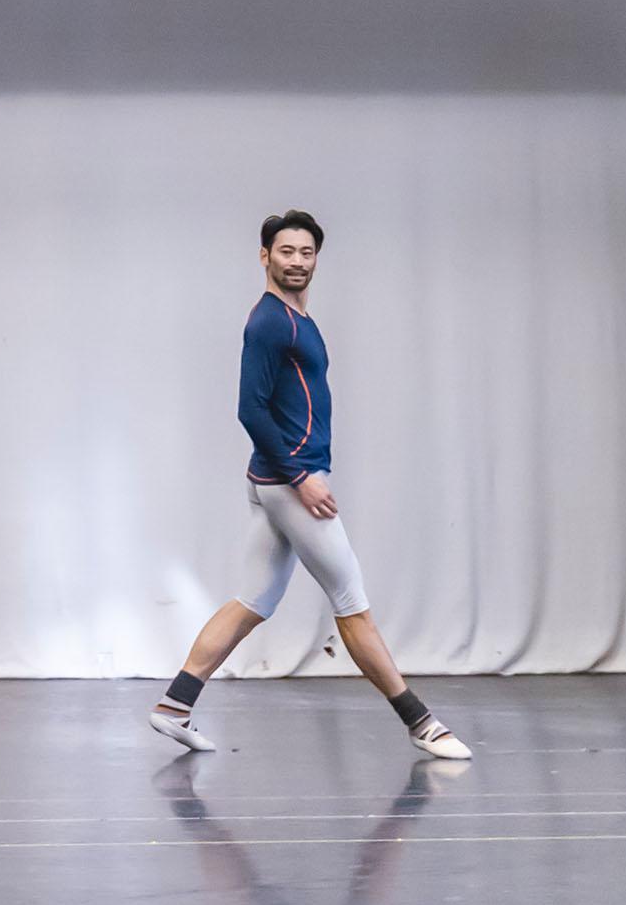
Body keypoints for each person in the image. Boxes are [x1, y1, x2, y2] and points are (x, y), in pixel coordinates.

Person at [149, 210, 471, 762]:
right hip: (291, 483)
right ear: (264, 256)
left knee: (252, 601)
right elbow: (250, 409)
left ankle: (174, 705)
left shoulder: (297, 317)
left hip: (276, 480)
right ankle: (422, 723)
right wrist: (301, 478)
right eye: (286, 251)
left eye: (306, 252)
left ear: (316, 258)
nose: (297, 261)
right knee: (352, 603)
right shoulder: (270, 323)